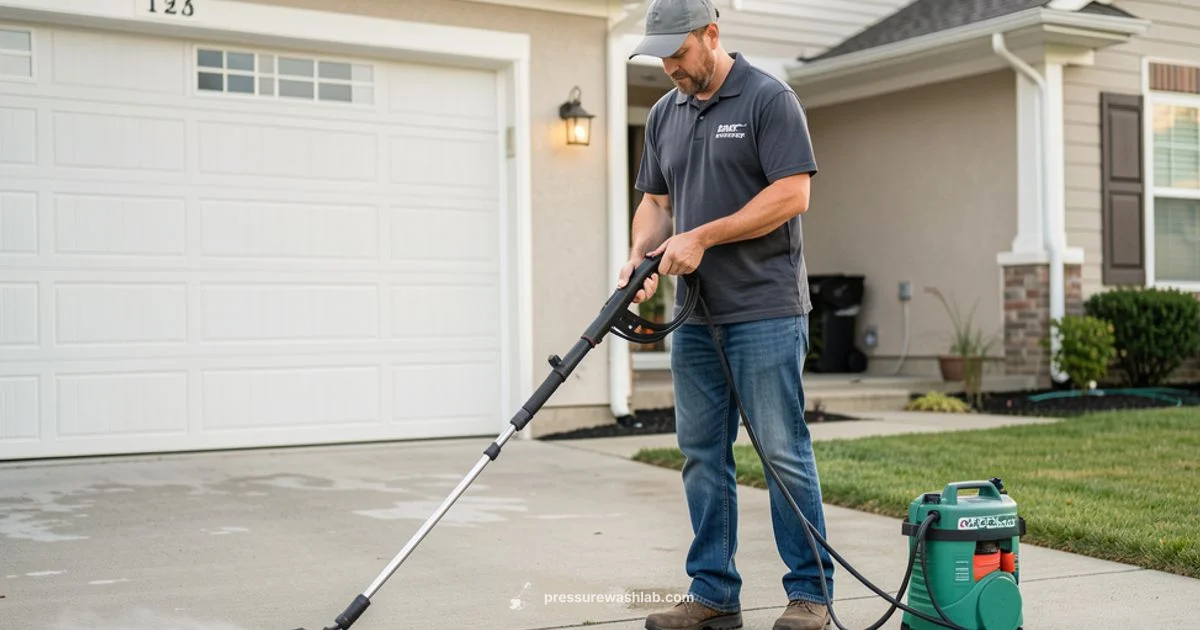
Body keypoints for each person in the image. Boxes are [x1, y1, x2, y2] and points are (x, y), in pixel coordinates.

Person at [616, 1, 834, 629]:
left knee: (781, 452)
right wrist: (639, 254)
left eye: (679, 53)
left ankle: (811, 594)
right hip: (696, 316)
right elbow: (657, 200)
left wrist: (703, 236)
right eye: (660, 57)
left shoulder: (769, 99)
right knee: (701, 454)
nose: (670, 68)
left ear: (712, 35)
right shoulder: (664, 112)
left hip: (765, 309)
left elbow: (794, 193)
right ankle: (713, 594)